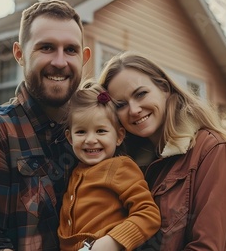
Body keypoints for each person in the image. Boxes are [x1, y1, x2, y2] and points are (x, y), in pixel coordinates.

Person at [0, 0, 91, 250]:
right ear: (20, 54)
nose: (60, 62)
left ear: (84, 57)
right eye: (46, 48)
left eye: (71, 50)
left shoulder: (98, 134)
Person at [98, 51, 226, 250]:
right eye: (121, 104)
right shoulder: (131, 166)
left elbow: (208, 246)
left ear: (164, 88)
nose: (134, 109)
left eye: (141, 94)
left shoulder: (213, 150)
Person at [57, 81, 160, 251]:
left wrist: (112, 242)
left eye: (101, 131)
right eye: (81, 132)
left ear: (119, 137)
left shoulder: (120, 167)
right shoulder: (75, 171)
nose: (90, 140)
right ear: (69, 138)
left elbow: (148, 214)